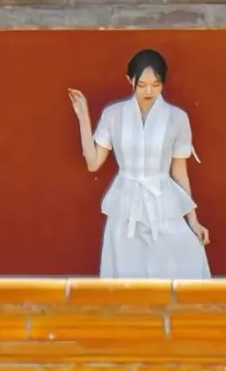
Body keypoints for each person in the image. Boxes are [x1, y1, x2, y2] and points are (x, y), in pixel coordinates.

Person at [68, 48, 211, 279]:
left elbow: (179, 171)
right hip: (126, 204)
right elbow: (93, 163)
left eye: (156, 84)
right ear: (130, 80)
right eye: (142, 84)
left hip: (163, 202)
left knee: (183, 263)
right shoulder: (114, 114)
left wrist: (193, 220)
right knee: (127, 274)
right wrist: (83, 117)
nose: (149, 91)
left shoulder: (177, 118)